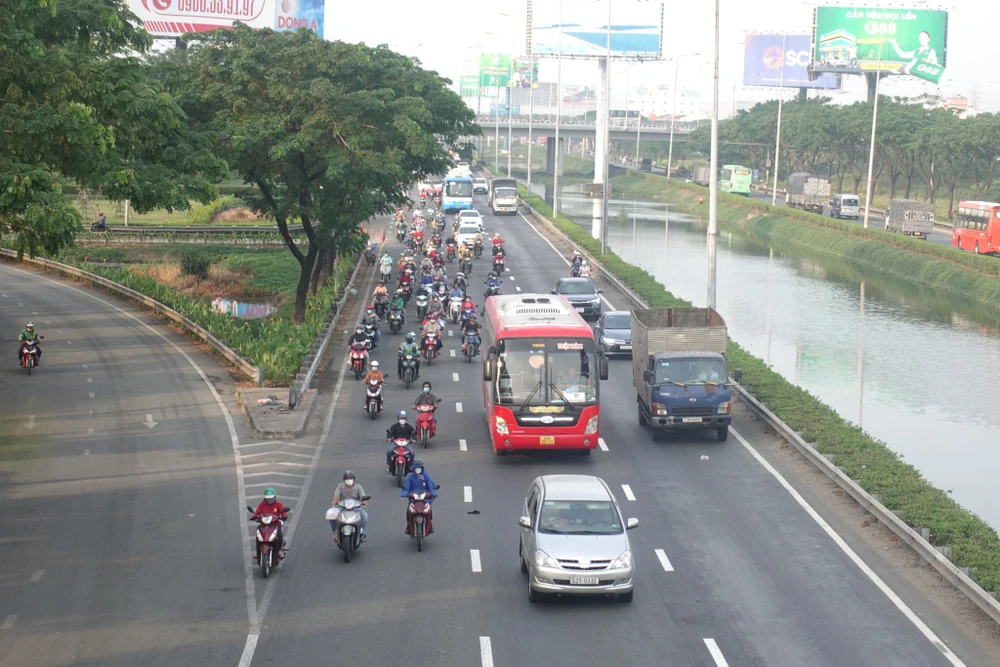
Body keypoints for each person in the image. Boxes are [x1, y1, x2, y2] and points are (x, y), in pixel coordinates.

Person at [401, 458, 438, 536]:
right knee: (409, 511)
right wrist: (404, 494)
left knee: (429, 510)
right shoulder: (410, 477)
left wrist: (433, 493)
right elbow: (406, 486)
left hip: (425, 499)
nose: (418, 469)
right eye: (416, 468)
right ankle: (408, 526)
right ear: (413, 468)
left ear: (422, 468)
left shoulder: (426, 476)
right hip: (413, 499)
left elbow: (431, 486)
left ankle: (430, 525)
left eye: (419, 468)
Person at [330, 470, 368, 545]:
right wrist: (334, 501)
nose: (349, 480)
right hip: (342, 507)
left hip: (356, 508)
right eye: (347, 479)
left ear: (354, 479)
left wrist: (365, 502)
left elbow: (363, 497)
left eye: (350, 478)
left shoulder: (358, 487)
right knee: (331, 515)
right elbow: (336, 495)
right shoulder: (341, 486)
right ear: (344, 480)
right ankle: (336, 533)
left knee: (365, 516)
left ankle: (361, 532)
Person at [251, 488, 288, 561]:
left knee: (279, 534)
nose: (269, 500)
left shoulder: (278, 504)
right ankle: (258, 551)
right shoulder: (262, 504)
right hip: (264, 524)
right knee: (258, 535)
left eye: (271, 498)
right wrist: (254, 517)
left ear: (274, 497)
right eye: (267, 499)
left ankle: (279, 550)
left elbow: (283, 512)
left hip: (275, 524)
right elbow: (257, 512)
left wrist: (284, 516)